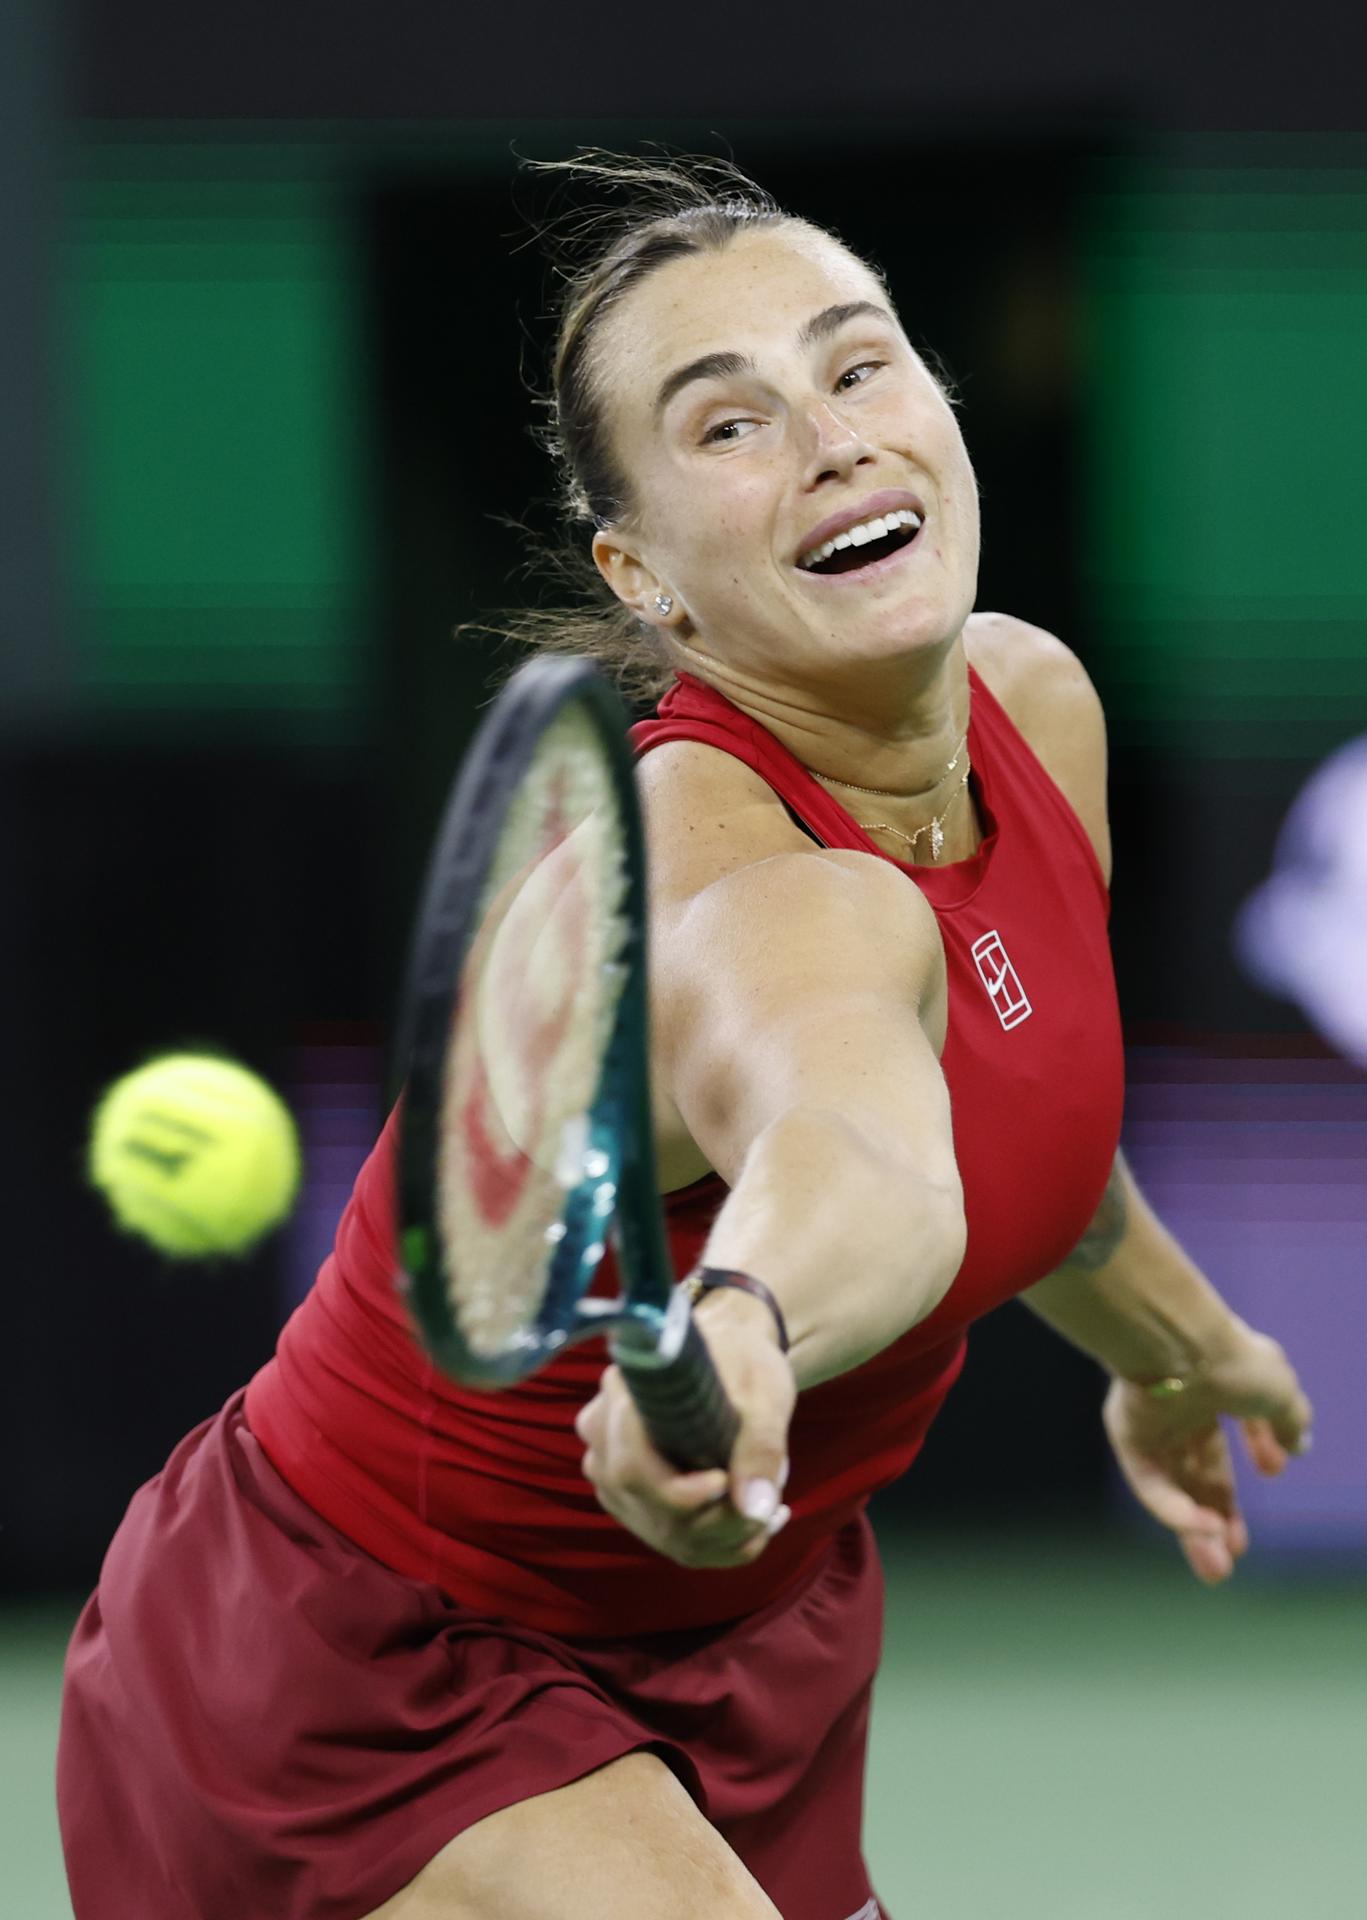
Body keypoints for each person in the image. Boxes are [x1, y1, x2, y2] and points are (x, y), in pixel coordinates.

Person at [58, 154, 1313, 1920]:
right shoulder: (728, 884)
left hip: (749, 1639)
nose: (832, 440)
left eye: (859, 366)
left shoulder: (1033, 706)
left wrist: (1184, 1348)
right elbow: (866, 1158)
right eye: (728, 425)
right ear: (639, 571)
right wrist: (746, 1326)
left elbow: (1022, 1130)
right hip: (376, 1660)